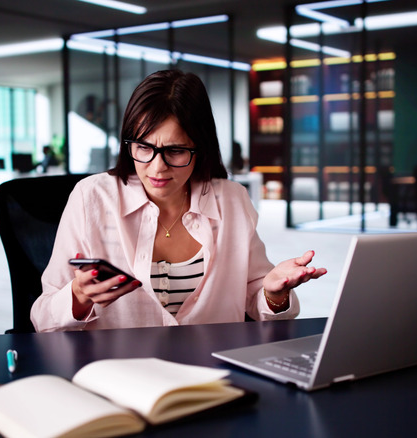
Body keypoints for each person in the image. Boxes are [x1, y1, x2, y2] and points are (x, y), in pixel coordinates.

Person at [31, 69, 326, 332]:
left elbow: (256, 295)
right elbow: (42, 319)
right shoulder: (91, 197)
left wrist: (274, 295)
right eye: (144, 147)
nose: (157, 167)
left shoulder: (231, 199)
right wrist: (78, 297)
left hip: (212, 372)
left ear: (201, 148)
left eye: (175, 151)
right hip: (120, 373)